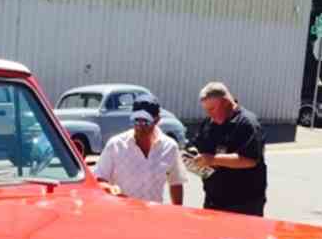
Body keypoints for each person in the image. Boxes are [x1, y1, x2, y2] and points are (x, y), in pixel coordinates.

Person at [187, 82, 268, 215]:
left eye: (212, 109)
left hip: (244, 203)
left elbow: (249, 159)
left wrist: (212, 159)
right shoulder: (209, 123)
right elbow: (197, 146)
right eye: (206, 110)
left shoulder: (247, 123)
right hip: (214, 199)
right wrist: (191, 157)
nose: (209, 114)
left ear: (226, 103)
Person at [93, 96, 186, 204]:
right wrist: (110, 189)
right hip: (123, 215)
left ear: (157, 120)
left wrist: (177, 213)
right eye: (136, 121)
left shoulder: (170, 147)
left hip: (153, 216)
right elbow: (99, 179)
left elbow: (176, 183)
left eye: (146, 122)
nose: (140, 127)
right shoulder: (115, 145)